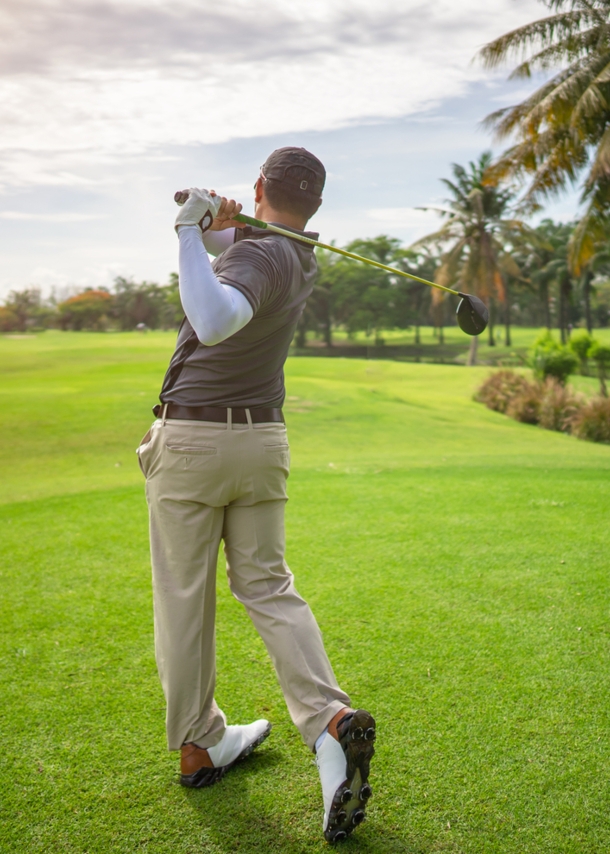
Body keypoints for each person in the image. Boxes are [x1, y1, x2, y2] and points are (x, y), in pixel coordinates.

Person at [136, 147, 376, 841]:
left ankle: (198, 743)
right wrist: (209, 219)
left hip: (194, 445)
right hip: (261, 443)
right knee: (269, 587)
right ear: (317, 206)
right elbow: (233, 247)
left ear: (260, 185)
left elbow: (213, 319)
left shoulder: (260, 258)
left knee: (185, 598)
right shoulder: (294, 252)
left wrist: (189, 231)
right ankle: (330, 723)